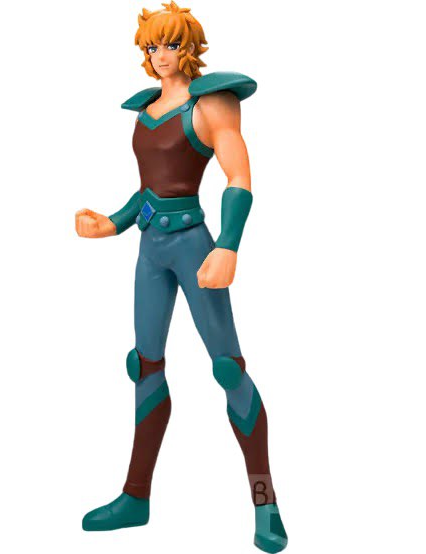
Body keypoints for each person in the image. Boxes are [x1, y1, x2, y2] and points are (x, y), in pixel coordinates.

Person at [75, 3, 287, 552]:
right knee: (144, 365)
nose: (159, 55)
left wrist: (228, 244)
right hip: (150, 249)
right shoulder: (147, 109)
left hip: (195, 246)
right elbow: (148, 189)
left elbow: (239, 177)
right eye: (151, 46)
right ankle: (136, 497)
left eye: (168, 44)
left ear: (188, 47)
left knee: (228, 368)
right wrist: (112, 222)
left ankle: (265, 503)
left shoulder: (211, 102)